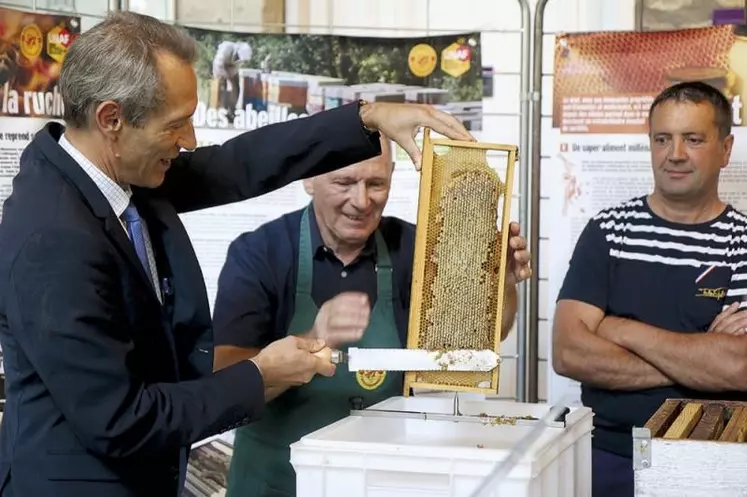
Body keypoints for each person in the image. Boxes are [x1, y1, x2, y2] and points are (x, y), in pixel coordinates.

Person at [0, 11, 476, 497]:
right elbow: (121, 419)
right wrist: (261, 375)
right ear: (111, 118)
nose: (190, 142)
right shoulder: (52, 239)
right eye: (177, 126)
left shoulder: (115, 175)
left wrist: (366, 117)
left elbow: (235, 165)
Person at [211, 132, 532, 497]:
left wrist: (500, 283)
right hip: (277, 483)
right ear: (308, 179)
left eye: (376, 183)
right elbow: (225, 381)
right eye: (344, 182)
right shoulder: (259, 255)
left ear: (392, 176)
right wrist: (311, 339)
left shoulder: (413, 248)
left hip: (379, 480)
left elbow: (475, 345)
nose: (361, 201)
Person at [552, 80, 747, 497]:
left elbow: (739, 366)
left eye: (692, 139)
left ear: (725, 150)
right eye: (662, 139)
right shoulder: (608, 231)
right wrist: (700, 355)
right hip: (607, 457)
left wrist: (620, 330)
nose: (674, 154)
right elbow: (568, 352)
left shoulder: (743, 241)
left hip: (715, 462)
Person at [212, 40, 253, 119]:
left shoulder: (241, 58)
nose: (238, 59)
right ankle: (220, 109)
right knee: (221, 85)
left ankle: (231, 110)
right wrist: (225, 77)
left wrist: (231, 80)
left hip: (230, 68)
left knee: (236, 86)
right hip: (219, 66)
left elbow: (235, 69)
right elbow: (218, 65)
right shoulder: (226, 50)